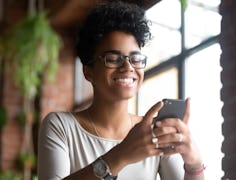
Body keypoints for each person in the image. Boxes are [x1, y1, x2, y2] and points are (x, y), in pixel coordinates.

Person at [37, 1, 205, 180]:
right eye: (113, 58)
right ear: (88, 72)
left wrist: (194, 164)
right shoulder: (60, 126)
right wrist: (122, 154)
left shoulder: (153, 132)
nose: (128, 66)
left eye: (135, 58)